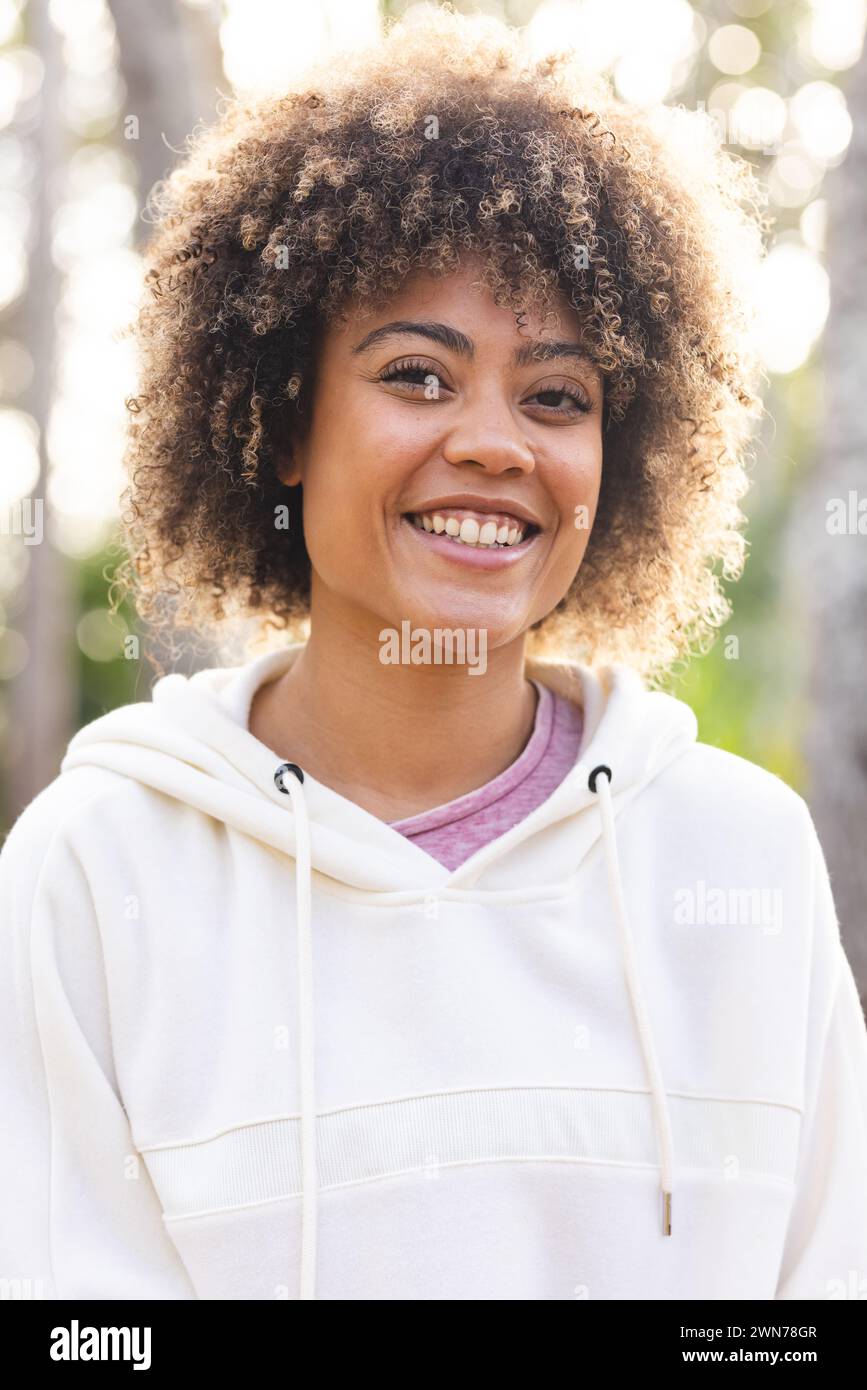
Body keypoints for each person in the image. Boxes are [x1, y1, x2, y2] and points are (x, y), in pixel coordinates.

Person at [2, 6, 866, 1302]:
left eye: (558, 395)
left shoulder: (739, 857)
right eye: (418, 375)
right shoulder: (96, 871)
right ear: (286, 420)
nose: (496, 443)